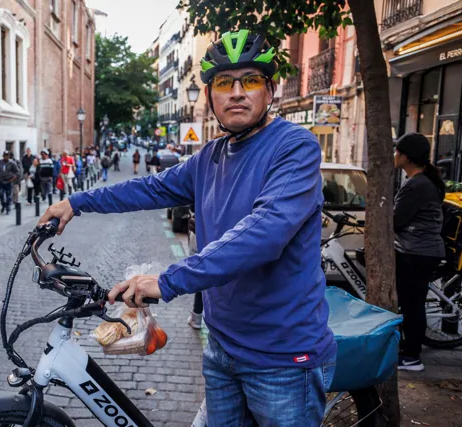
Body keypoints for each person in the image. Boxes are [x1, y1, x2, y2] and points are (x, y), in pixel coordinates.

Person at [39, 29, 336, 426]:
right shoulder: (210, 156)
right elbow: (149, 188)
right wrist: (76, 202)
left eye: (250, 81)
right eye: (224, 83)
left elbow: (264, 232)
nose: (237, 93)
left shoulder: (294, 147)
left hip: (282, 357)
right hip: (223, 347)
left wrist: (168, 280)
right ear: (210, 95)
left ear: (269, 90)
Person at [393, 133, 446, 372]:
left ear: (405, 157)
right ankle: (407, 349)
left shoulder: (417, 185)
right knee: (410, 302)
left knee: (412, 304)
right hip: (417, 250)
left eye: (397, 152)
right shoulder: (421, 181)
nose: (394, 156)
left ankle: (412, 356)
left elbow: (397, 220)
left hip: (418, 253)